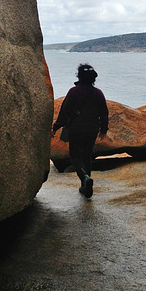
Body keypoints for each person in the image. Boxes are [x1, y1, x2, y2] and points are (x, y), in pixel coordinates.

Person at [51, 64, 109, 198]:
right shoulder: (98, 93)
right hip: (92, 129)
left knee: (75, 156)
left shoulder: (74, 91)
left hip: (76, 129)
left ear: (79, 76)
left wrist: (55, 127)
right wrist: (103, 130)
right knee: (87, 155)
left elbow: (64, 112)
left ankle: (84, 178)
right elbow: (104, 113)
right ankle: (86, 185)